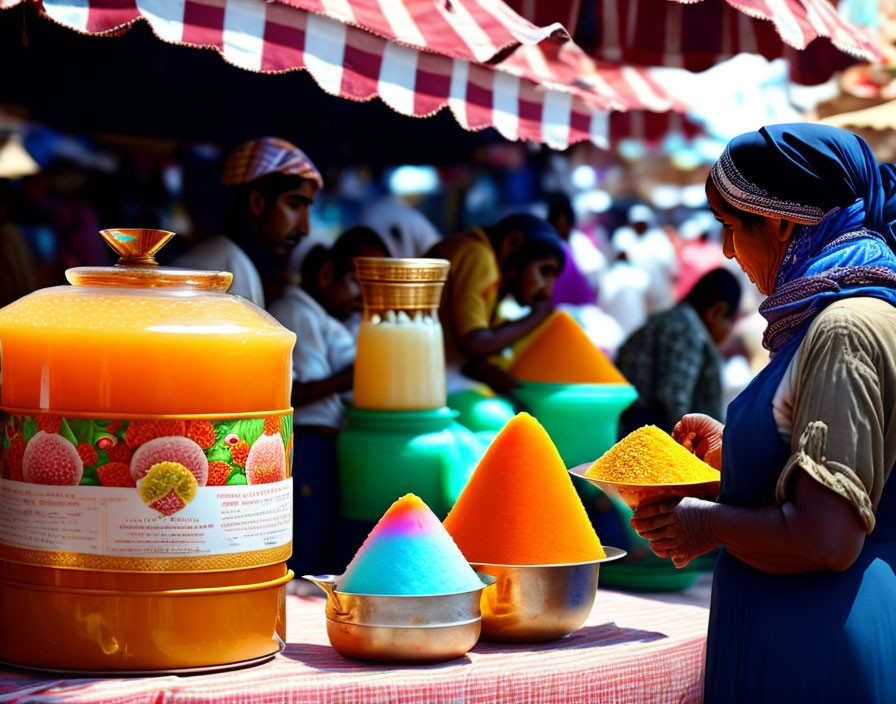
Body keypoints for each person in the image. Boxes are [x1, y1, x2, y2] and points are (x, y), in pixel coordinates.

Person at [630, 124, 896, 702]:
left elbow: (826, 537)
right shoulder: (831, 317)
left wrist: (704, 524)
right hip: (797, 636)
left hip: (817, 649)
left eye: (732, 228)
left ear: (780, 220)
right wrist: (737, 450)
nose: (727, 252)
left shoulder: (845, 326)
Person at [268, 226, 388, 575]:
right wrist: (351, 376)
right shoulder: (295, 311)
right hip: (308, 440)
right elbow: (294, 392)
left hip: (324, 441)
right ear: (325, 275)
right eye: (354, 281)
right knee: (307, 538)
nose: (359, 295)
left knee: (320, 532)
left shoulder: (323, 318)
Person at [424, 214, 564, 419]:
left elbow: (472, 362)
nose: (547, 291)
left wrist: (517, 389)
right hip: (426, 388)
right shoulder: (478, 256)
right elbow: (475, 343)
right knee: (498, 422)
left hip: (434, 382)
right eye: (544, 271)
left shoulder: (491, 272)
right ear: (513, 244)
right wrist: (537, 316)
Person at [175, 137, 322, 308]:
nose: (305, 228)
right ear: (257, 202)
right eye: (294, 205)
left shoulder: (233, 262)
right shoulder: (230, 270)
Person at [615, 268, 741, 436]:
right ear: (716, 312)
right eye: (730, 322)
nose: (729, 332)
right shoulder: (686, 329)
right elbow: (673, 402)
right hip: (647, 439)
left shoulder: (667, 320)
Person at [611, 204, 678, 313]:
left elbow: (671, 267)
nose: (639, 226)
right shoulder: (624, 237)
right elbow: (621, 257)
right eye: (636, 223)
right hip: (636, 300)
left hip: (660, 298)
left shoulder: (659, 239)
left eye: (642, 223)